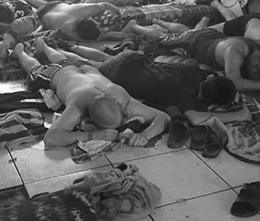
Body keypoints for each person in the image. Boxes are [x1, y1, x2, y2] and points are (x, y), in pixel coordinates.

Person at [12, 39, 170, 148]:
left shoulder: (121, 97)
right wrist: (92, 136)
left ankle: (44, 46)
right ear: (88, 117)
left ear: (116, 102)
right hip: (58, 73)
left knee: (63, 61)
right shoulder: (77, 106)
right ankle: (21, 52)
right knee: (35, 69)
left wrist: (145, 135)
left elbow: (163, 117)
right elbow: (51, 138)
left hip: (78, 68)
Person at [56, 44, 248, 125]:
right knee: (88, 65)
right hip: (120, 74)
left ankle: (71, 46)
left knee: (105, 58)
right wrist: (238, 115)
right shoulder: (185, 96)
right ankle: (56, 51)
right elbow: (195, 118)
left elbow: (212, 75)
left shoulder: (195, 72)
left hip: (132, 59)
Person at [124, 20, 260, 93]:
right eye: (254, 74)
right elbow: (236, 83)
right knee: (164, 38)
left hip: (210, 35)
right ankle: (135, 27)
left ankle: (161, 22)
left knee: (186, 31)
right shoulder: (235, 52)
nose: (250, 75)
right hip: (195, 44)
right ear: (257, 66)